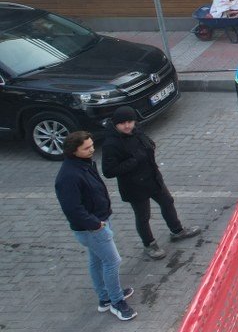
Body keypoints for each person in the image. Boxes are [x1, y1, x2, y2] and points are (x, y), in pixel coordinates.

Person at [55, 130, 138, 321]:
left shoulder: (81, 165)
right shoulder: (69, 176)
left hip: (96, 223)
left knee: (97, 261)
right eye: (86, 148)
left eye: (92, 145)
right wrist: (96, 224)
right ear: (73, 151)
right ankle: (117, 302)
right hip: (93, 227)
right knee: (112, 261)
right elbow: (72, 208)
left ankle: (105, 297)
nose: (92, 149)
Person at [100, 108, 200, 260]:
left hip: (152, 177)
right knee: (143, 216)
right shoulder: (111, 144)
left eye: (130, 122)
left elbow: (145, 142)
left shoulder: (136, 130)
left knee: (167, 202)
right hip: (134, 187)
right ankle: (149, 244)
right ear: (115, 124)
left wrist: (150, 146)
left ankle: (177, 230)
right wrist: (133, 161)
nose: (127, 126)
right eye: (122, 123)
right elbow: (109, 171)